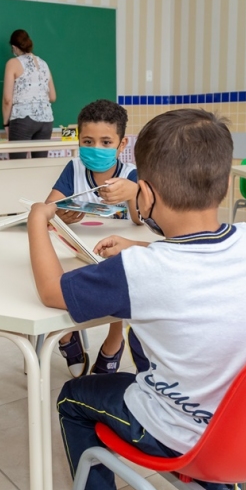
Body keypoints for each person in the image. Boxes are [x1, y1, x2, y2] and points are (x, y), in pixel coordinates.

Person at [27, 109, 246, 490]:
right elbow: (191, 256)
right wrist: (142, 244)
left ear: (144, 193)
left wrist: (36, 221)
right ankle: (216, 482)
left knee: (73, 398)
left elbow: (51, 291)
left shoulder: (142, 269)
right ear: (225, 184)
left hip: (182, 430)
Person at [46, 99, 141, 377]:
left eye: (105, 142)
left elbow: (139, 221)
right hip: (75, 251)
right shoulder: (74, 168)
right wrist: (61, 216)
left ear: (121, 145)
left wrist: (133, 192)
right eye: (88, 141)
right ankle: (66, 335)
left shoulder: (131, 175)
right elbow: (50, 207)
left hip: (111, 253)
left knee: (123, 277)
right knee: (53, 277)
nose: (95, 148)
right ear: (78, 140)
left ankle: (113, 341)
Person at [2, 29, 56, 159]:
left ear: (14, 47)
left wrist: (6, 123)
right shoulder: (43, 63)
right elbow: (53, 97)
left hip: (23, 119)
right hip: (46, 120)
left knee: (17, 165)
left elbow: (7, 100)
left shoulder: (13, 63)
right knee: (40, 165)